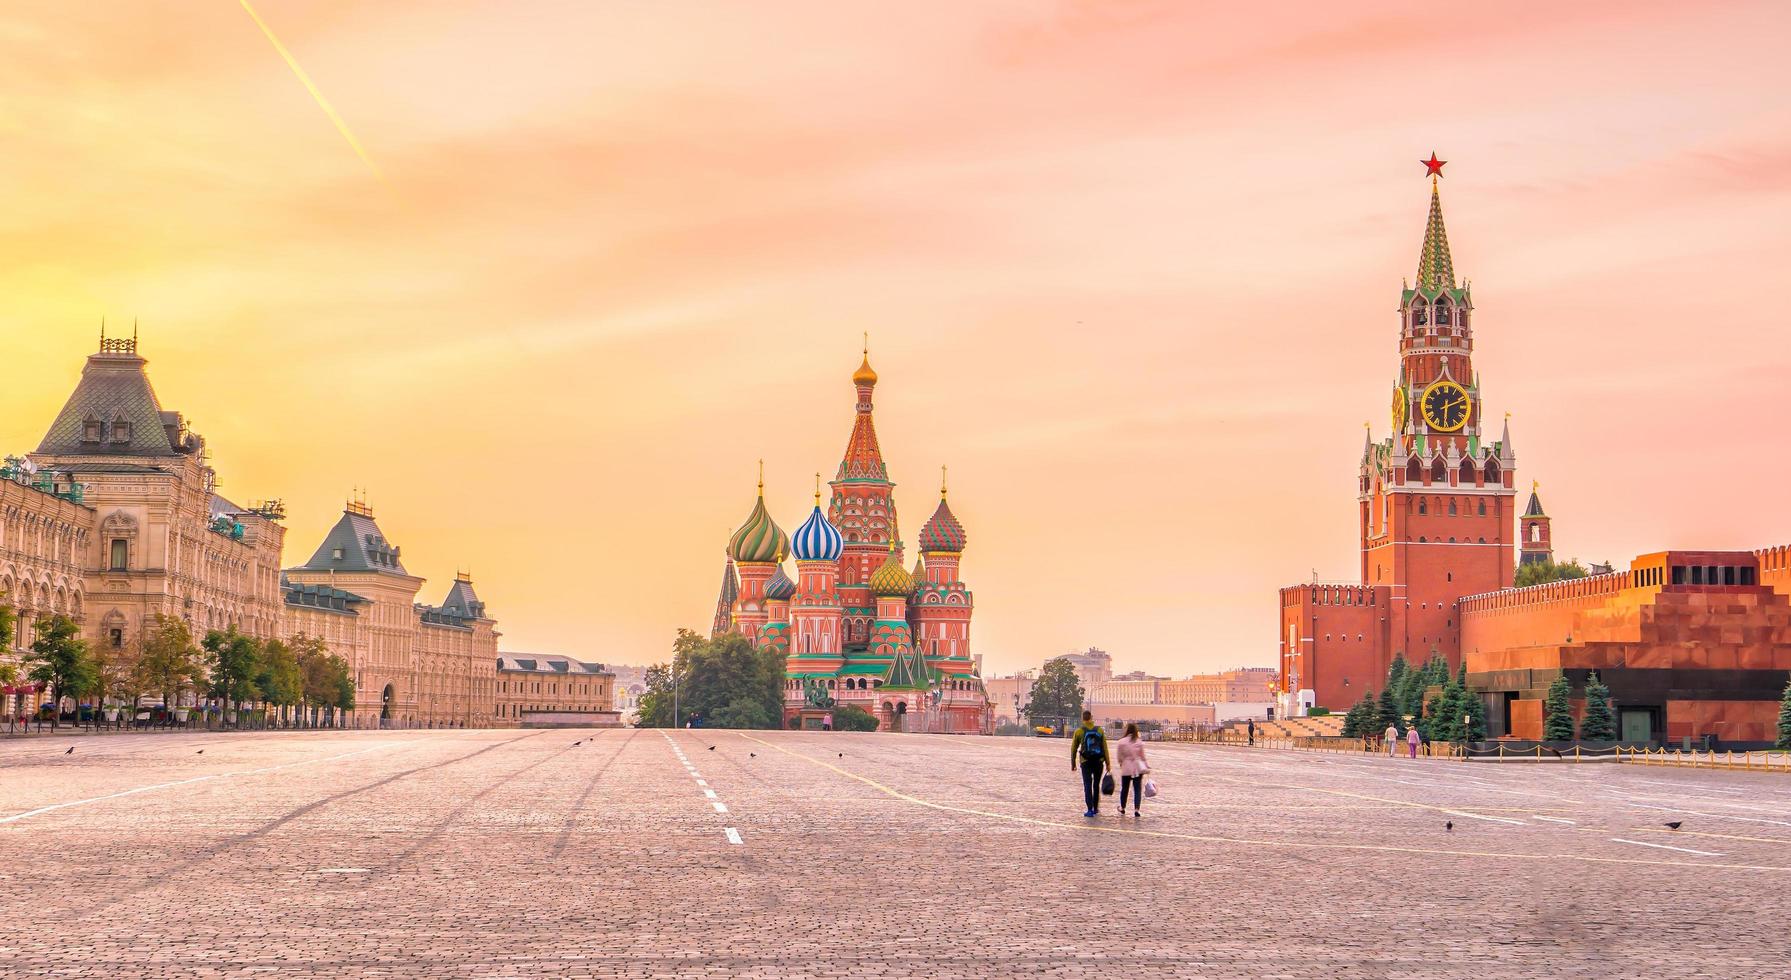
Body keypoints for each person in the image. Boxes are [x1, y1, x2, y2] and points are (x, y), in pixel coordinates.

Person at [1069, 710, 1111, 818]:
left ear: (1083, 719)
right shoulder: (1100, 730)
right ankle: (1096, 808)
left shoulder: (1079, 731)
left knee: (1087, 785)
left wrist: (1073, 763)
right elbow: (1105, 747)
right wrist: (1108, 763)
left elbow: (1073, 748)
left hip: (1085, 762)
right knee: (1096, 785)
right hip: (1098, 761)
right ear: (1091, 718)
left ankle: (1089, 809)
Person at [1115, 722, 1149, 817]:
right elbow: (1143, 756)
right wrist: (1146, 766)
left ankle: (1122, 807)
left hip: (1126, 768)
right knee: (1137, 789)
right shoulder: (1139, 742)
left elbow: (1119, 757)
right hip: (1137, 768)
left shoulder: (1121, 742)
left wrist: (1121, 763)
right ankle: (1137, 809)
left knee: (1124, 789)